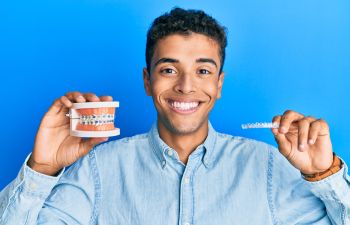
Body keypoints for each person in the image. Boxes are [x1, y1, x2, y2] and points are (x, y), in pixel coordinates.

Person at [0, 7, 348, 225]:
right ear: (147, 81)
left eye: (202, 71)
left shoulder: (269, 168)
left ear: (219, 83)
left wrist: (324, 173)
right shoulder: (99, 170)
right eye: (169, 70)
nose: (186, 86)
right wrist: (42, 169)